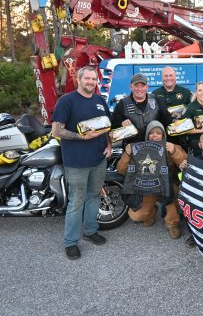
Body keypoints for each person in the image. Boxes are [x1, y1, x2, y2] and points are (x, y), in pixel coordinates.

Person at [51, 66, 112, 260]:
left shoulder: (100, 100)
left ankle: (91, 230)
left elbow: (106, 126)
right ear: (79, 79)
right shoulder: (66, 101)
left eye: (94, 79)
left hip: (98, 159)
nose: (91, 82)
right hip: (76, 162)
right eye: (87, 79)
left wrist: (109, 145)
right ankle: (70, 242)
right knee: (76, 202)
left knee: (93, 196)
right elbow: (56, 131)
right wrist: (81, 137)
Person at [128, 120, 188, 239]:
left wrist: (175, 152)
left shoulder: (170, 146)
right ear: (147, 135)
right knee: (136, 215)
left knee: (170, 194)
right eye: (151, 133)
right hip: (147, 187)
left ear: (163, 135)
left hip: (170, 185)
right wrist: (126, 154)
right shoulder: (138, 149)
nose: (155, 135)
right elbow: (121, 170)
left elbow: (186, 163)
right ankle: (151, 212)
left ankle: (172, 224)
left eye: (158, 133)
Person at [111, 73, 160, 173]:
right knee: (133, 180)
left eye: (142, 86)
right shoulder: (123, 103)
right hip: (132, 150)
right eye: (136, 86)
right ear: (130, 86)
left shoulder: (155, 100)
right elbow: (112, 127)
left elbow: (165, 120)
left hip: (154, 148)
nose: (139, 89)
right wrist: (121, 123)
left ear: (147, 87)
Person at [152, 66, 192, 148]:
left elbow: (191, 112)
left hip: (182, 137)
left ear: (175, 77)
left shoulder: (186, 93)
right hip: (162, 137)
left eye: (171, 75)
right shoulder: (154, 94)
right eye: (165, 76)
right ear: (162, 78)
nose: (168, 78)